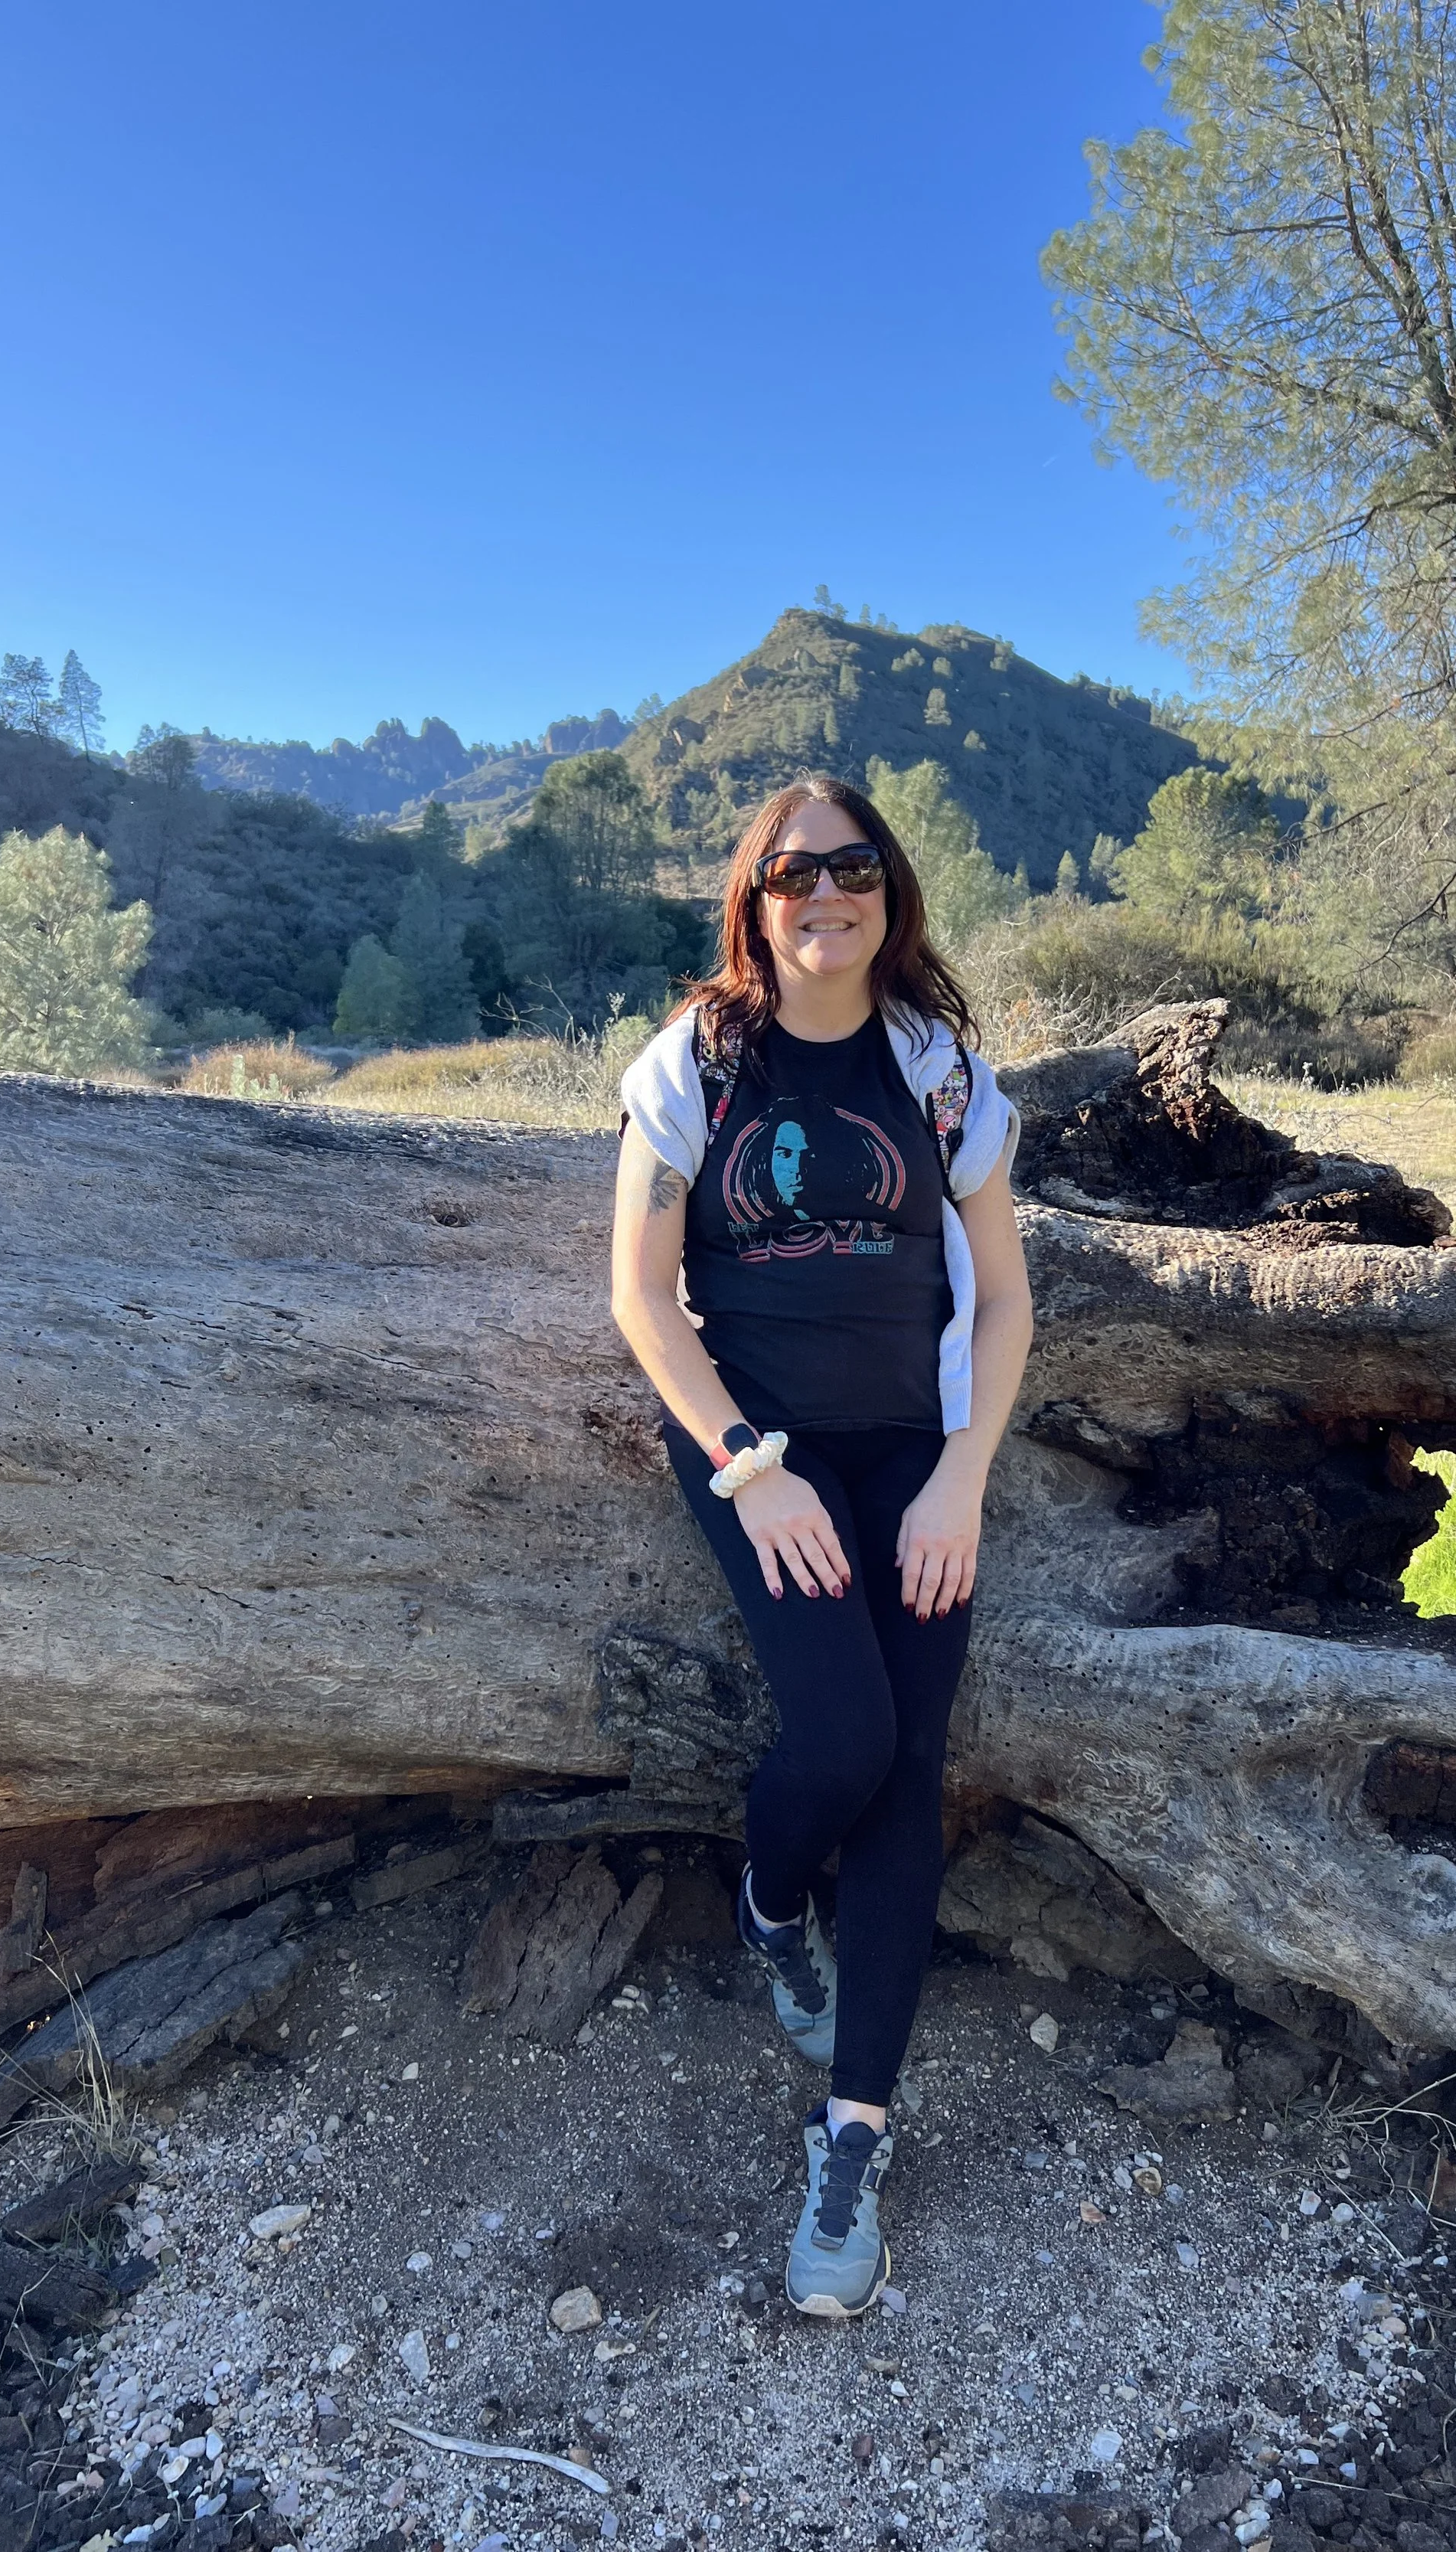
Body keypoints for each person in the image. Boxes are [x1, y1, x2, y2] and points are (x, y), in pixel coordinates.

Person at [611, 774, 1033, 2318]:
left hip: (913, 1456)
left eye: (852, 867)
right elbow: (643, 1302)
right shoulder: (692, 1069)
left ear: (887, 892)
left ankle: (851, 2136)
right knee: (838, 1734)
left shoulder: (936, 1074)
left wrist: (961, 1480)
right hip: (757, 1451)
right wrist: (746, 1466)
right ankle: (769, 1902)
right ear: (755, 898)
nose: (825, 893)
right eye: (795, 872)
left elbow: (998, 1298)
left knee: (905, 1764)